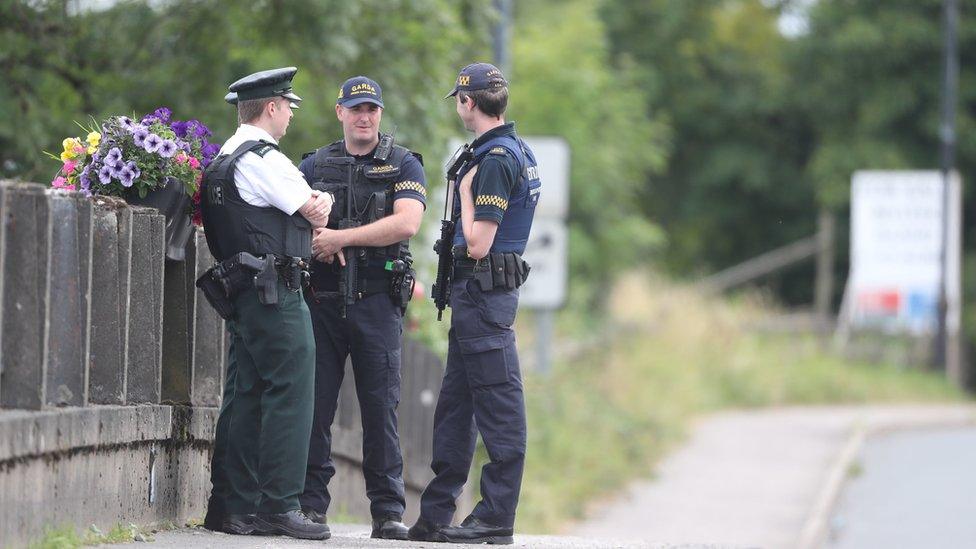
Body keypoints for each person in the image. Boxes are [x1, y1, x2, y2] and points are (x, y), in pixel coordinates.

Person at [198, 67, 333, 540]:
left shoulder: (224, 157)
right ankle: (280, 504)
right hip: (275, 291)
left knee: (246, 393)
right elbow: (312, 209)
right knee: (292, 391)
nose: (290, 116)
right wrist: (322, 200)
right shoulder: (264, 158)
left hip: (243, 291)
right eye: (288, 107)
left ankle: (232, 506)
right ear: (272, 107)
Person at [409, 62, 540, 545]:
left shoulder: (495, 160)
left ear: (468, 101)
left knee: (499, 409)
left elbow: (480, 242)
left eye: (458, 100)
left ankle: (495, 518)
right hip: (477, 300)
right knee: (455, 409)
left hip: (484, 297)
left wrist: (465, 194)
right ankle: (436, 515)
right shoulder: (512, 150)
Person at [297, 75, 427, 540]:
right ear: (340, 113)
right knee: (315, 409)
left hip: (377, 301)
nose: (364, 116)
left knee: (380, 410)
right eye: (356, 109)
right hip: (323, 301)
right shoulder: (314, 164)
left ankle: (388, 512)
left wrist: (342, 238)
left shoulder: (404, 163)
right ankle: (310, 507)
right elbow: (288, 217)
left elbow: (407, 222)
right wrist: (317, 243)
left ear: (380, 114)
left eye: (371, 109)